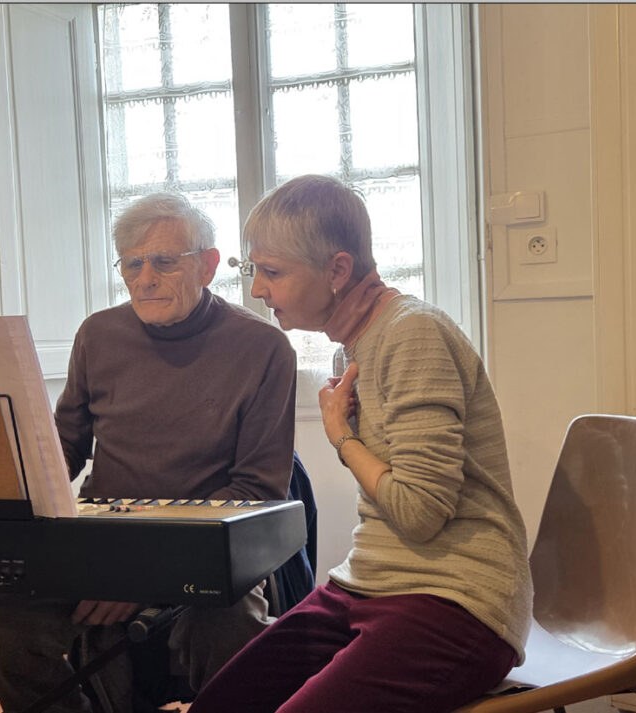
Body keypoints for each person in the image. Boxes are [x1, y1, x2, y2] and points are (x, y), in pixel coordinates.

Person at [188, 175, 533, 713]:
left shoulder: (413, 335)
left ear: (338, 271)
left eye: (272, 272)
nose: (257, 290)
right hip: (367, 585)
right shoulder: (353, 347)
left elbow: (420, 513)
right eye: (255, 270)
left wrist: (342, 436)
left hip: (457, 600)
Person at [0, 193, 301, 713]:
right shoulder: (98, 334)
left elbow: (256, 489)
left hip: (208, 553)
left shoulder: (263, 348)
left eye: (164, 262)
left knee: (228, 637)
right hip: (101, 543)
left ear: (208, 265)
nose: (145, 279)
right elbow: (64, 447)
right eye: (131, 264)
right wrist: (6, 478)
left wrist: (144, 572)